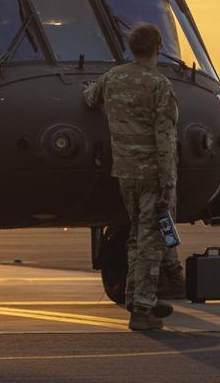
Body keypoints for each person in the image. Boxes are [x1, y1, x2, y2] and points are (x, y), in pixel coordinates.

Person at [83, 23, 180, 331]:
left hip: (125, 172)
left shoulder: (113, 77)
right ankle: (142, 309)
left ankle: (133, 296)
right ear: (158, 48)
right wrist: (169, 183)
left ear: (132, 47)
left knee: (137, 234)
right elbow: (165, 137)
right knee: (150, 241)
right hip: (152, 173)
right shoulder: (159, 85)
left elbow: (89, 97)